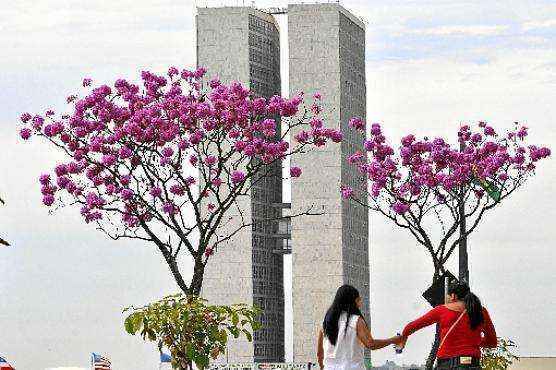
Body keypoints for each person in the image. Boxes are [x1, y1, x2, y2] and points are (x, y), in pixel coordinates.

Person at [399, 282, 497, 369]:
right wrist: (473, 343)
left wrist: (403, 339)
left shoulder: (442, 310)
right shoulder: (481, 311)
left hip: (447, 363)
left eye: (447, 296)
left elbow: (411, 327)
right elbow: (492, 342)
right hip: (472, 363)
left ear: (453, 296)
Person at [317, 285, 402, 370]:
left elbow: (320, 352)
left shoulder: (327, 321)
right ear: (352, 302)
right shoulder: (356, 321)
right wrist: (393, 340)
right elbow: (371, 344)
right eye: (358, 300)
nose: (360, 303)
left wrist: (322, 367)